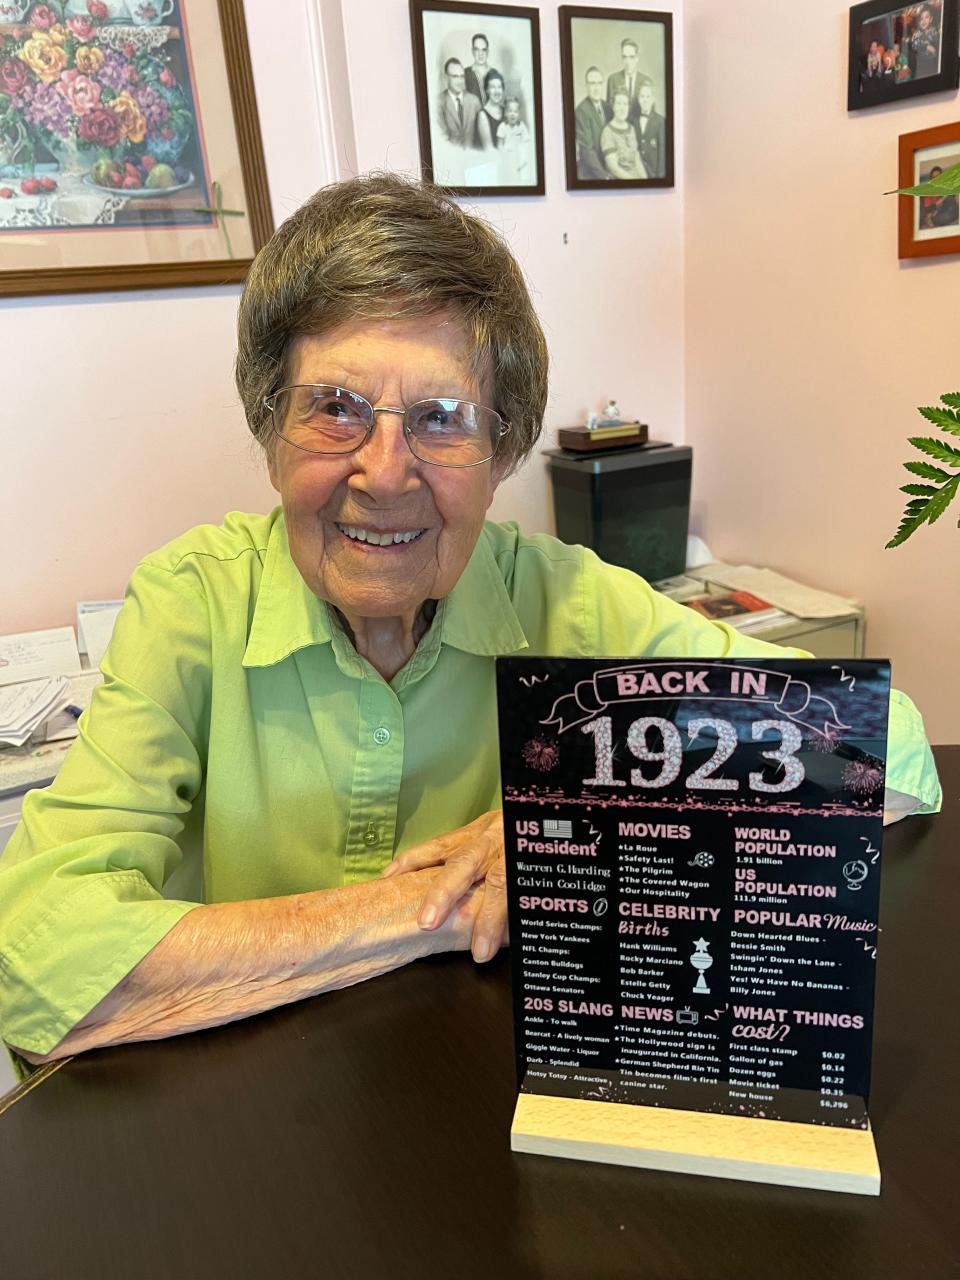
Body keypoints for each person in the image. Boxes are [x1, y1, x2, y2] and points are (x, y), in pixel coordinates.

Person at [0, 174, 941, 1073]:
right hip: (250, 1134)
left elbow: (888, 750)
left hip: (495, 1102)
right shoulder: (190, 604)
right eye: (335, 407)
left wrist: (576, 820)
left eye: (443, 418)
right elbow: (39, 962)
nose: (385, 470)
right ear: (268, 429)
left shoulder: (569, 601)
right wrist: (434, 909)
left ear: (503, 452)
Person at [601, 89, 646, 180]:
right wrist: (634, 182)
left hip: (637, 180)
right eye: (619, 104)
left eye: (625, 104)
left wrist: (645, 180)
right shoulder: (607, 132)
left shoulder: (632, 129)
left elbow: (637, 160)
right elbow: (614, 168)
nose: (622, 108)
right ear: (613, 106)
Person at [574, 66, 610, 181]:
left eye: (599, 83)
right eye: (592, 83)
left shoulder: (608, 107)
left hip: (608, 168)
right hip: (590, 174)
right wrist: (605, 176)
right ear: (586, 86)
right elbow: (587, 152)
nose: (596, 88)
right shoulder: (581, 111)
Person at [435, 57, 480, 148]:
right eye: (455, 76)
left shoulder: (474, 101)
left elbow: (480, 136)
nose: (460, 81)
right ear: (446, 78)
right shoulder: (438, 103)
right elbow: (441, 140)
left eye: (462, 76)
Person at [606, 37, 651, 123]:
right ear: (621, 58)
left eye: (631, 57)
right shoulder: (612, 80)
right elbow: (609, 113)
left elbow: (650, 116)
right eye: (625, 57)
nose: (628, 62)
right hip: (618, 131)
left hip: (639, 133)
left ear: (637, 58)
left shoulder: (647, 81)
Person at [635, 83, 666, 178]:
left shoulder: (660, 121)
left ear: (653, 99)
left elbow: (662, 150)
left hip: (654, 173)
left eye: (648, 97)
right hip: (638, 172)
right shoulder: (633, 121)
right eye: (642, 96)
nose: (645, 100)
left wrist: (660, 176)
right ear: (638, 99)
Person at [496, 97, 531, 183]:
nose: (512, 114)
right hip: (506, 158)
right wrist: (504, 154)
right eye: (509, 111)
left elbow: (526, 142)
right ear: (505, 113)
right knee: (506, 178)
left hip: (519, 158)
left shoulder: (521, 126)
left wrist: (523, 155)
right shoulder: (502, 127)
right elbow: (499, 145)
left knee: (519, 178)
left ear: (519, 114)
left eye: (515, 112)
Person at [464, 32, 498, 104]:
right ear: (472, 51)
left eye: (483, 49)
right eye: (477, 49)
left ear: (488, 52)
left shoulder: (495, 73)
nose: (480, 54)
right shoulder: (465, 73)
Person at [475, 69, 506, 151]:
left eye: (499, 87)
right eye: (492, 87)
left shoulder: (506, 110)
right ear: (487, 90)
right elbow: (489, 149)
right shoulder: (482, 115)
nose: (496, 91)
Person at [910, 5, 939, 79]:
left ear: (931, 19)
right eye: (921, 19)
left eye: (926, 17)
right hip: (920, 63)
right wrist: (926, 46)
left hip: (931, 62)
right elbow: (914, 44)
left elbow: (936, 42)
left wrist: (935, 49)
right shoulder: (917, 33)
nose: (924, 21)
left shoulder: (933, 31)